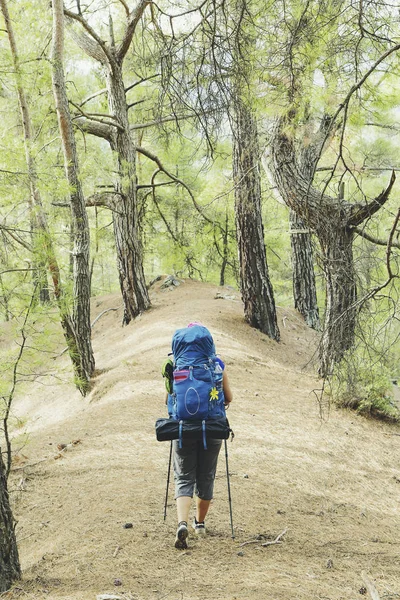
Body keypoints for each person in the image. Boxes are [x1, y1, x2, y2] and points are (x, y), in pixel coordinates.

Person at [165, 323, 233, 550]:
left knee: (184, 477)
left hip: (183, 429)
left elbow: (170, 401)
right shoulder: (217, 365)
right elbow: (229, 398)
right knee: (206, 476)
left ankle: (181, 523)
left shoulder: (175, 367)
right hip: (211, 428)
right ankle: (200, 523)